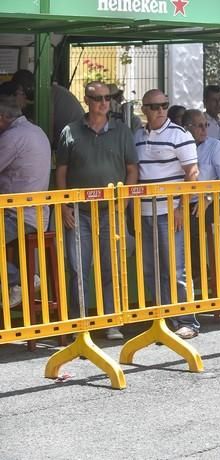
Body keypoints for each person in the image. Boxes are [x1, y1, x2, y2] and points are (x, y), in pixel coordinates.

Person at [56, 81, 139, 340]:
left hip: (110, 211)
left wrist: (123, 202)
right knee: (79, 268)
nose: (104, 103)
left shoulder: (122, 130)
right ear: (87, 100)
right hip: (79, 211)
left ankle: (111, 321)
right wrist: (65, 204)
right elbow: (62, 172)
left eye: (107, 98)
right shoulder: (70, 131)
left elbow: (132, 169)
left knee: (110, 267)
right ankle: (79, 324)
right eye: (98, 98)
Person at [135, 89, 200, 339]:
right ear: (145, 109)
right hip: (145, 211)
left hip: (169, 211)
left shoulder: (180, 134)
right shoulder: (138, 136)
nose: (160, 110)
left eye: (164, 105)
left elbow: (192, 173)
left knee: (175, 269)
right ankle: (162, 318)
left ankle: (187, 321)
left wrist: (181, 207)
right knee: (152, 269)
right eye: (154, 106)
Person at [0, 95, 50, 309]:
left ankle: (20, 280)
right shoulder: (36, 130)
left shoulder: (12, 137)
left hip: (19, 215)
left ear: (2, 117)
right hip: (35, 214)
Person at [181, 109, 220, 287]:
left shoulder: (215, 146)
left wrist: (208, 197)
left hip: (211, 199)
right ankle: (181, 275)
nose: (204, 130)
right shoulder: (179, 145)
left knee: (193, 222)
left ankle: (200, 274)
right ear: (186, 128)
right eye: (199, 126)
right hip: (182, 200)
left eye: (206, 125)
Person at [11, 69, 85, 145]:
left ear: (23, 89)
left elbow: (46, 134)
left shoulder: (47, 97)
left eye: (18, 93)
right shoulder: (51, 91)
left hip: (74, 142)